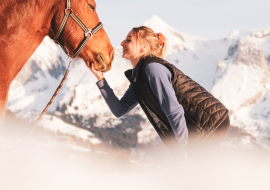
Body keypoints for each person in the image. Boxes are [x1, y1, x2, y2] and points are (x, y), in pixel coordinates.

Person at [88, 26, 230, 162]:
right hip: (198, 127)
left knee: (193, 173)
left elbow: (173, 110)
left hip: (210, 123)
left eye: (129, 40)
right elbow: (120, 109)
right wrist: (100, 79)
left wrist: (184, 149)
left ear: (144, 47)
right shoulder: (140, 76)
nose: (122, 43)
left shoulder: (153, 69)